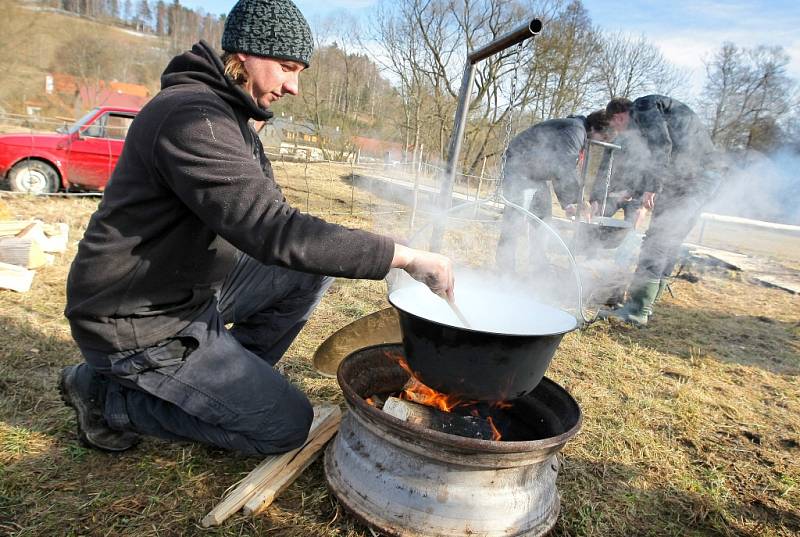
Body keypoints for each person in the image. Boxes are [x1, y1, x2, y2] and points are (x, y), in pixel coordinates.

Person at [59, 0, 453, 455]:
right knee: (284, 427)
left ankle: (221, 391)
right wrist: (402, 257)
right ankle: (107, 398)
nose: (294, 86)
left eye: (299, 70)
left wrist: (383, 250)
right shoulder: (191, 118)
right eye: (286, 68)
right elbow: (274, 230)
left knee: (305, 271)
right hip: (133, 316)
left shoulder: (228, 118)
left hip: (183, 289)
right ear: (244, 55)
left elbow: (283, 232)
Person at [599, 95, 721, 326]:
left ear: (619, 115)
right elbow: (657, 156)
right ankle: (645, 306)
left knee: (657, 241)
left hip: (689, 179)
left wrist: (653, 187)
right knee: (670, 240)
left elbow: (662, 146)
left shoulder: (643, 107)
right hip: (703, 177)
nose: (618, 130)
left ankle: (635, 312)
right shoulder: (661, 111)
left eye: (614, 124)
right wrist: (635, 189)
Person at [496, 111, 613, 269]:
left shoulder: (577, 131)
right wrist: (578, 201)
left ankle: (538, 266)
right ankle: (505, 269)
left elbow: (560, 170)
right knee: (515, 221)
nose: (603, 142)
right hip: (519, 170)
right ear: (596, 129)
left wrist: (569, 204)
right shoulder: (575, 130)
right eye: (604, 138)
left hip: (536, 176)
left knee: (543, 220)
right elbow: (564, 167)